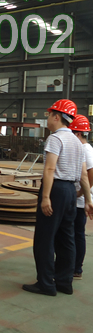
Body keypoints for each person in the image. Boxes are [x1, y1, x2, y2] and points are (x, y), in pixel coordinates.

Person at [23, 99, 93, 296]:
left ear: (56, 117)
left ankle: (45, 284)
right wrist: (88, 200)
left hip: (56, 190)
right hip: (71, 192)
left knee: (45, 238)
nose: (47, 119)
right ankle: (64, 282)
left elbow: (50, 169)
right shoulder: (77, 142)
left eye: (49, 115)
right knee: (66, 238)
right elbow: (84, 175)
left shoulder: (55, 139)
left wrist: (46, 197)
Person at [69, 114, 93, 280]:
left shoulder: (85, 150)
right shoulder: (84, 148)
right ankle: (73, 266)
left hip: (80, 201)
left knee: (77, 233)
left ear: (77, 134)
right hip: (79, 198)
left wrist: (81, 193)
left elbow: (91, 174)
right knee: (74, 233)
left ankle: (77, 268)